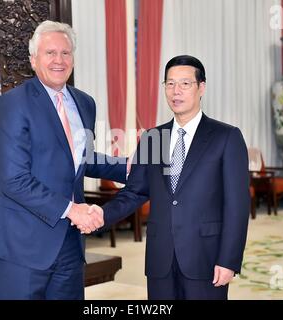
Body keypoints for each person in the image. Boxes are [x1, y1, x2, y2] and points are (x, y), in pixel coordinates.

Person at [0, 20, 126, 300]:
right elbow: (14, 179)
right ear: (34, 60)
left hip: (70, 243)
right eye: (50, 53)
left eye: (66, 53)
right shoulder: (14, 103)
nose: (59, 60)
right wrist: (73, 210)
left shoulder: (85, 102)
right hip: (22, 245)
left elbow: (81, 158)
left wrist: (130, 167)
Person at [95, 55, 250, 300]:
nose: (176, 91)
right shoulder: (152, 138)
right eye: (170, 84)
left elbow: (237, 206)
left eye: (185, 84)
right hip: (160, 259)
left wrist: (229, 260)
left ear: (201, 88)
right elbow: (135, 190)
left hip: (206, 258)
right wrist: (100, 215)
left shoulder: (226, 137)